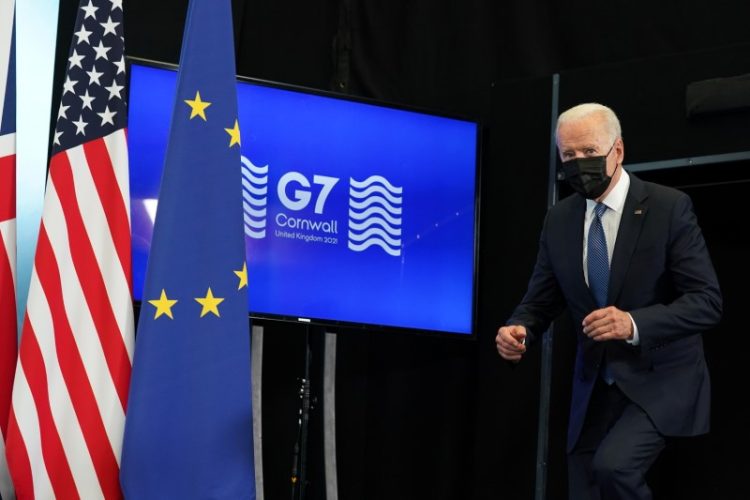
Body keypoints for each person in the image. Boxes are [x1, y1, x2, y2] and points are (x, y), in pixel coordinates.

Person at [495, 103, 722, 500]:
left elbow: (706, 301)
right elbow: (540, 300)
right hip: (595, 382)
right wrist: (519, 329)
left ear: (617, 150)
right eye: (569, 155)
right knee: (584, 485)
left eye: (589, 152)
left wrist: (633, 323)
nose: (578, 163)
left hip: (661, 377)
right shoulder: (559, 219)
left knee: (613, 467)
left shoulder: (668, 208)